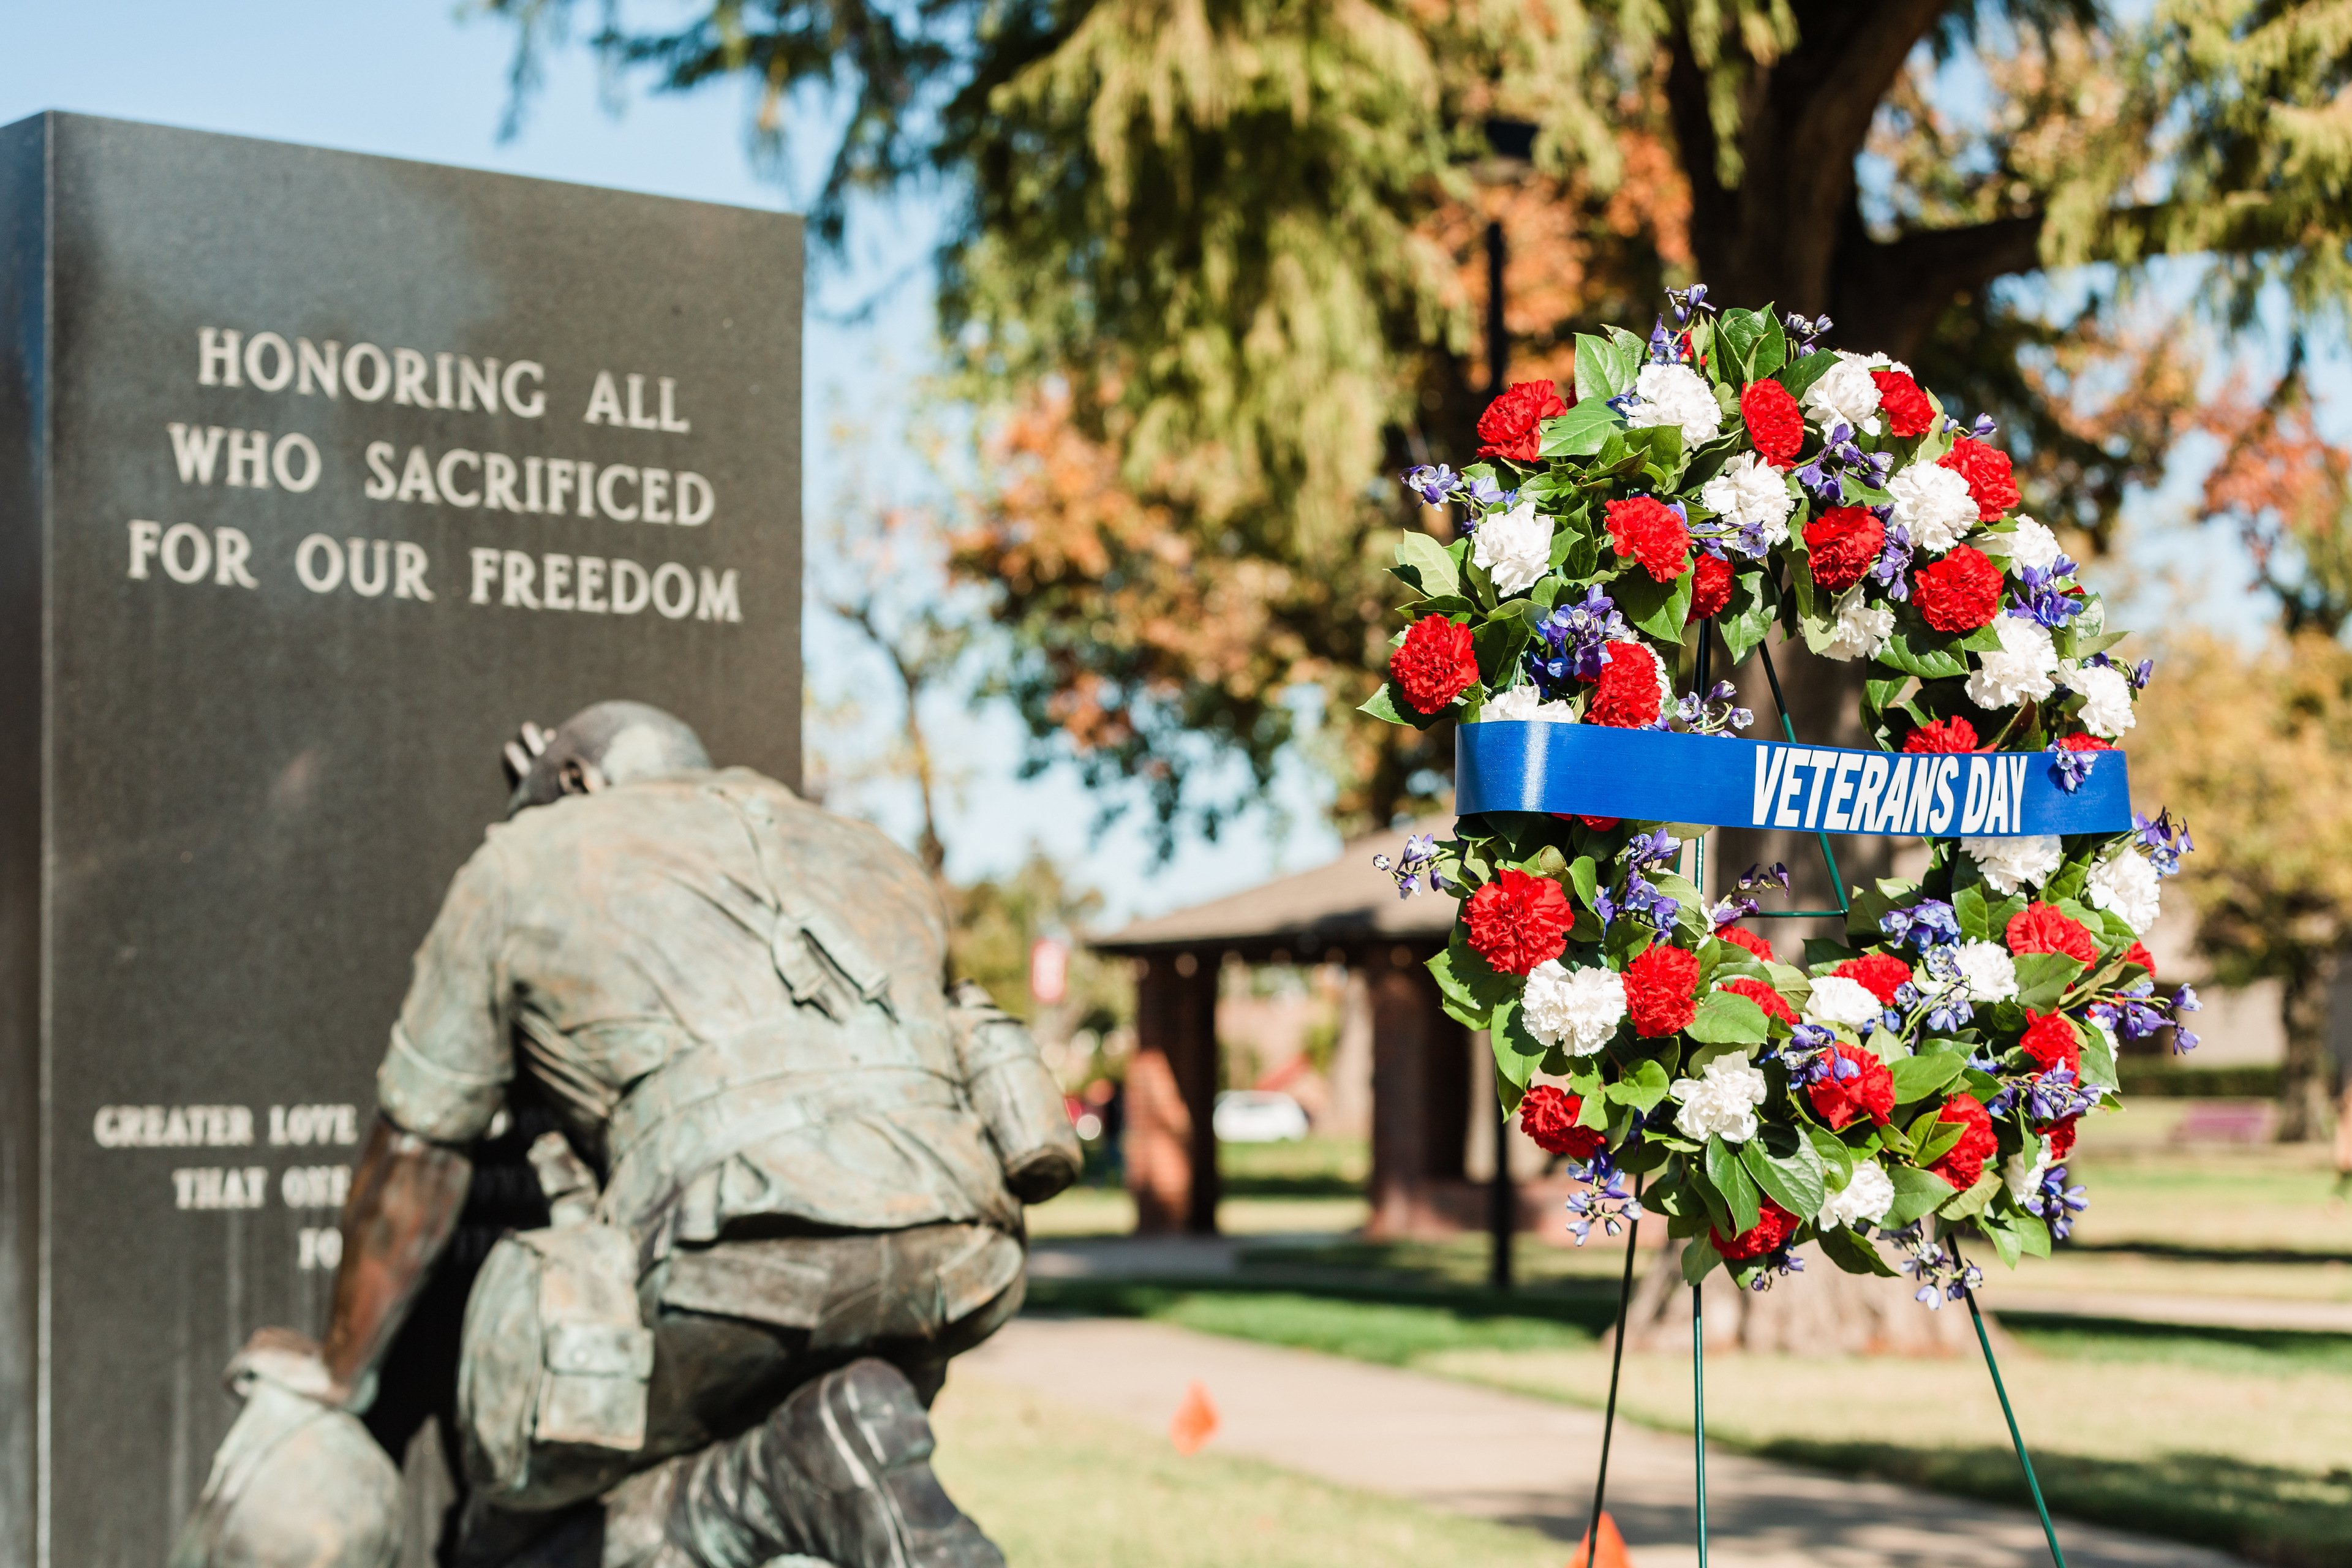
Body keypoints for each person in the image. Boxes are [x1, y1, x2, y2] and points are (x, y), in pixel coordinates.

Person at [172, 701, 1080, 1568]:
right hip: (965, 1248)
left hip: (734, 1240)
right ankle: (840, 1436)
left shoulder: (528, 855)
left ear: (575, 777)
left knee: (530, 1541)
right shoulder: (867, 850)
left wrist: (340, 1369)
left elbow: (419, 1144)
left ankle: (783, 1471)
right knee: (786, 1429)